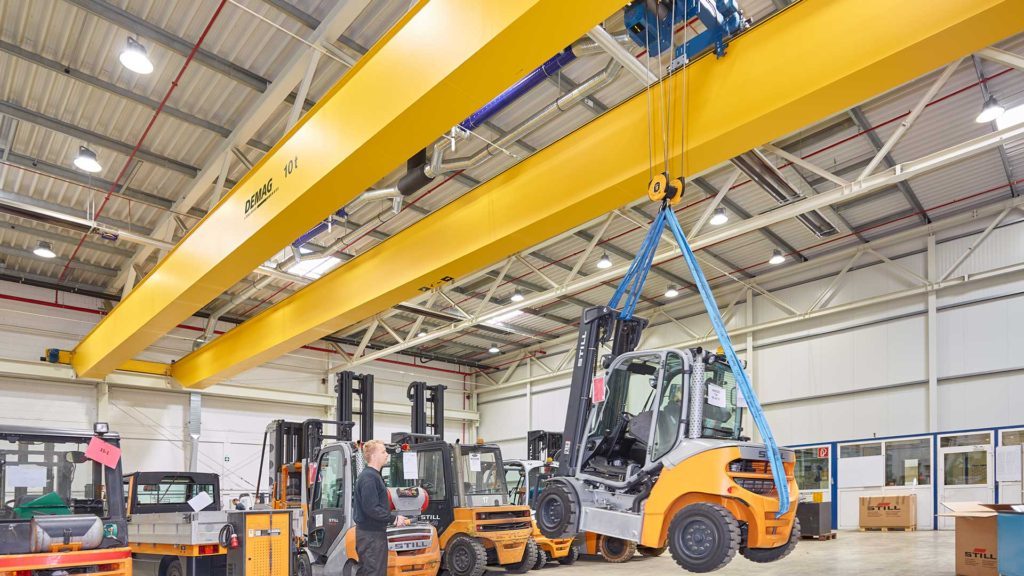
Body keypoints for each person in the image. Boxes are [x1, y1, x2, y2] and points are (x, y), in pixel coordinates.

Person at [355, 440, 410, 576]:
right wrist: (394, 519)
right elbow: (371, 508)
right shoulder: (369, 478)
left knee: (368, 571)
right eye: (383, 452)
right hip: (371, 536)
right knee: (374, 572)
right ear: (373, 456)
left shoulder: (374, 476)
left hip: (373, 535)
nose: (386, 455)